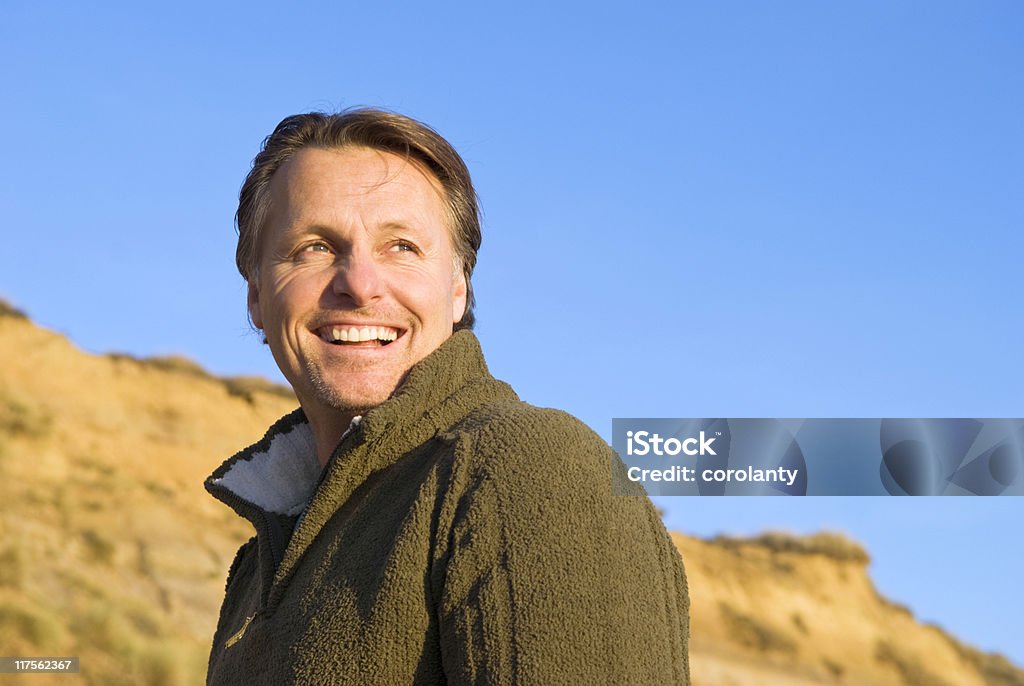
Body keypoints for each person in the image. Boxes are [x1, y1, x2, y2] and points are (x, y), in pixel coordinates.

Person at [204, 109, 691, 685]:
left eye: (402, 246)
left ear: (457, 289)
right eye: (313, 247)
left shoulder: (527, 468)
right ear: (257, 296)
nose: (359, 285)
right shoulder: (256, 569)